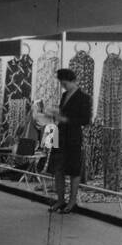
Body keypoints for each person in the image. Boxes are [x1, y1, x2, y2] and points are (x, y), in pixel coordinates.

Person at [47, 68, 92, 213]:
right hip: (60, 134)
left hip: (73, 135)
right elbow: (62, 114)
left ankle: (72, 202)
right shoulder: (65, 95)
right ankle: (60, 200)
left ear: (72, 80)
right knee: (58, 169)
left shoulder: (84, 97)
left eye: (64, 83)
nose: (63, 86)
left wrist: (65, 119)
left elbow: (85, 120)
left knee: (73, 170)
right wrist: (56, 113)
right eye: (61, 83)